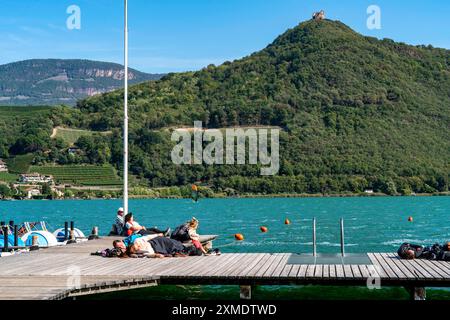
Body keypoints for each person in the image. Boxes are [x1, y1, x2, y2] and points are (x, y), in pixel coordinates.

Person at [113, 233, 202, 258]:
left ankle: (186, 248)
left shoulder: (137, 240)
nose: (138, 247)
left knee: (173, 243)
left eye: (137, 246)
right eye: (137, 249)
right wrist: (156, 255)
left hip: (156, 242)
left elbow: (147, 237)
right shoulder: (139, 252)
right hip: (157, 249)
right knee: (172, 250)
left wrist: (157, 234)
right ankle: (193, 250)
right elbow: (149, 255)